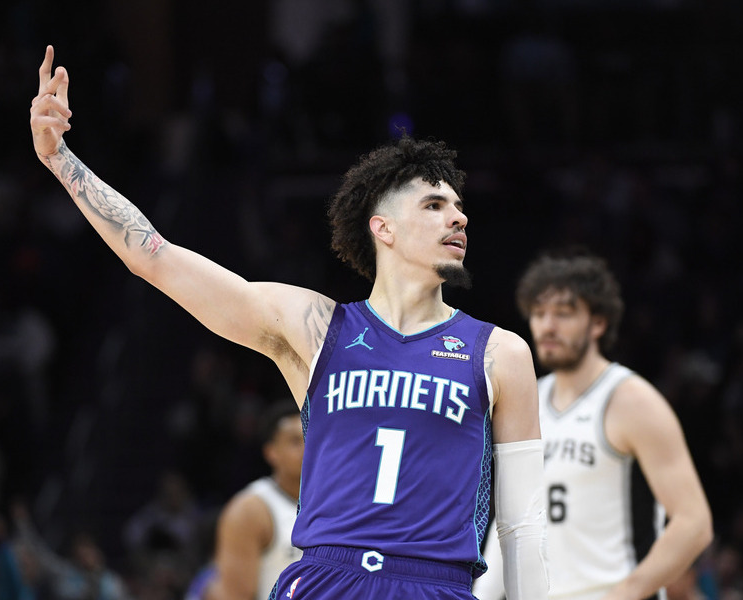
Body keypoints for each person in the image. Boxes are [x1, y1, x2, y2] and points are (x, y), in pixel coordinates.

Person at [30, 45, 548, 599]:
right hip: (327, 577)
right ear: (384, 228)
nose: (458, 215)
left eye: (460, 206)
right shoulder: (316, 327)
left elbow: (523, 526)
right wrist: (61, 159)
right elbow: (154, 255)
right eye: (434, 205)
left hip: (434, 584)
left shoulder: (500, 354)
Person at [473, 250, 713, 600]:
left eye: (563, 314)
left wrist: (626, 593)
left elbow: (694, 524)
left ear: (598, 323)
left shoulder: (631, 400)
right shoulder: (526, 401)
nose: (547, 326)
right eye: (538, 314)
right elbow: (512, 521)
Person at [185, 402, 305, 600]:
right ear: (271, 452)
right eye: (295, 441)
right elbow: (234, 595)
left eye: (312, 439)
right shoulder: (251, 510)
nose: (306, 448)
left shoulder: (339, 500)